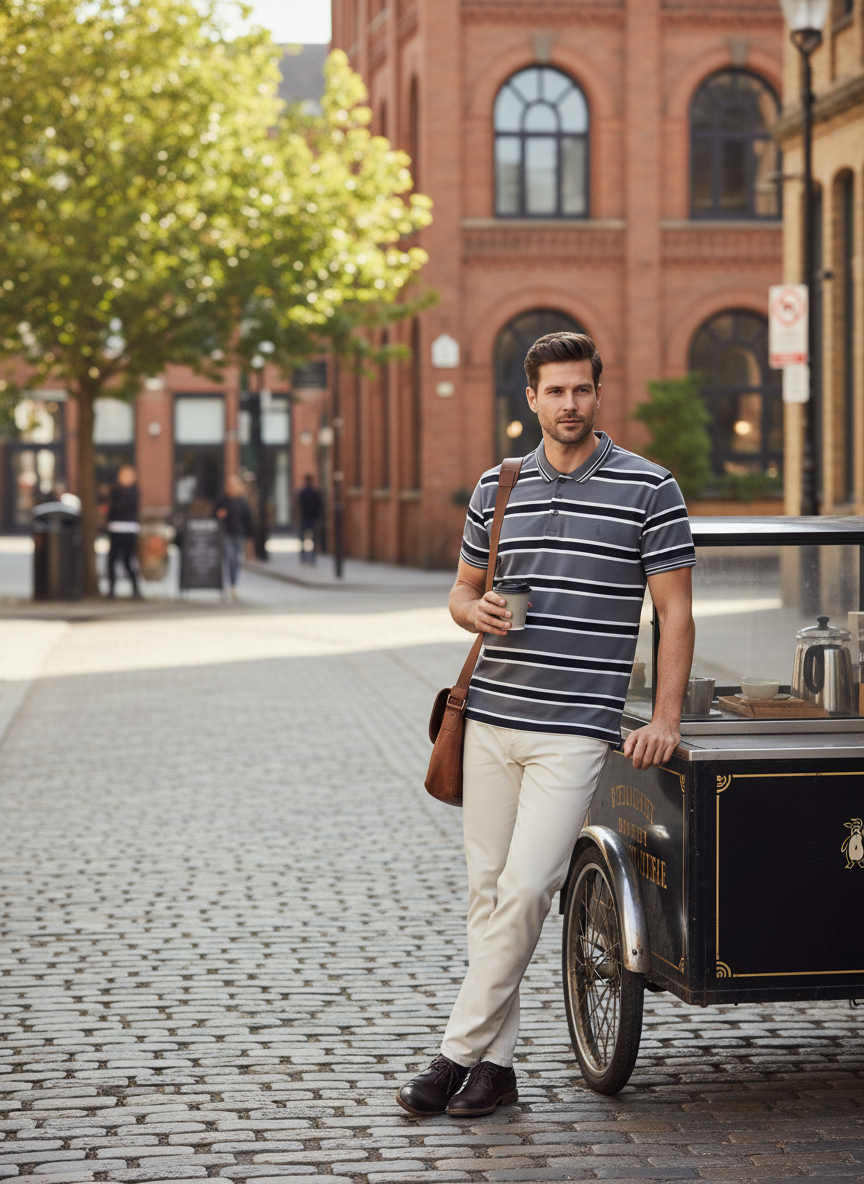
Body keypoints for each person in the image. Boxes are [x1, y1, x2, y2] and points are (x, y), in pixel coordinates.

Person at [397, 332, 695, 1119]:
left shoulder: (650, 488)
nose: (569, 404)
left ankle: (452, 1053)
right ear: (529, 398)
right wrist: (476, 608)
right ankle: (496, 1069)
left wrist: (664, 716)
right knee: (488, 894)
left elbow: (675, 612)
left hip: (574, 728)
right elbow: (460, 594)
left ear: (600, 393)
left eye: (582, 390)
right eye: (554, 392)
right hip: (492, 718)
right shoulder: (496, 488)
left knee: (530, 886)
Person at [214, 474, 253, 599]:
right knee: (229, 557)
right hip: (226, 533)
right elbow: (213, 515)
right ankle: (228, 584)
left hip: (239, 534)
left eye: (235, 485)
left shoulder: (242, 501)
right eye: (230, 485)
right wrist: (218, 515)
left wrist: (250, 538)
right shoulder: (222, 500)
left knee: (236, 560)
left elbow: (248, 520)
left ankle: (233, 585)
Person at [106, 465, 141, 599]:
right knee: (112, 561)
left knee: (128, 561)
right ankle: (111, 590)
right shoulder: (115, 490)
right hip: (115, 529)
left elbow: (124, 507)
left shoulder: (133, 492)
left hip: (129, 530)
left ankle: (136, 589)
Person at [297, 473, 322, 565]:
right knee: (312, 540)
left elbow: (298, 505)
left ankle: (305, 558)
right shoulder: (314, 492)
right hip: (311, 518)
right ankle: (311, 559)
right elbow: (319, 506)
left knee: (305, 539)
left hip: (306, 518)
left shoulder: (304, 492)